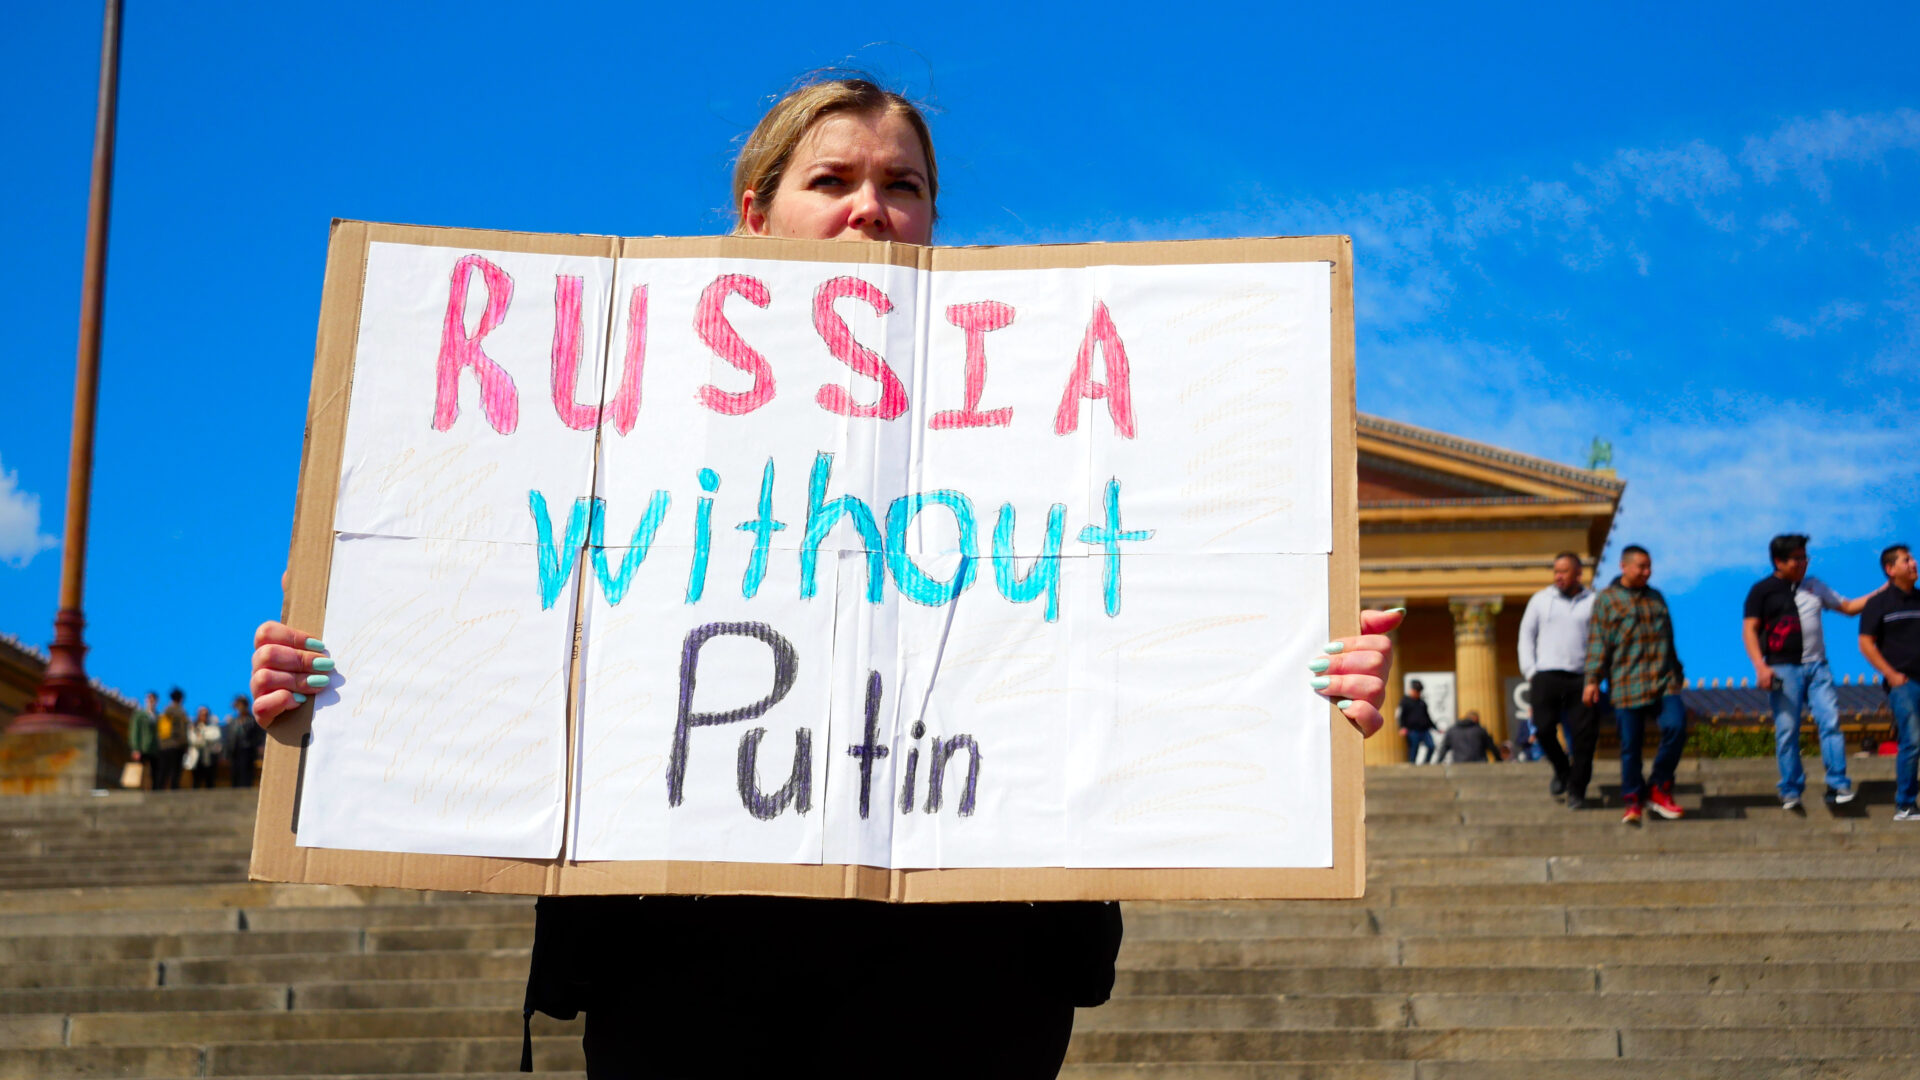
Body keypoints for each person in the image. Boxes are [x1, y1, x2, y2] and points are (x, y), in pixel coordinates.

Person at [247, 76, 1402, 1080]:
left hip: (966, 974)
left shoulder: (1049, 413)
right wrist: (338, 681)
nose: (870, 207)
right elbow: (485, 596)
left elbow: (1164, 598)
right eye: (833, 178)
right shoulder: (611, 415)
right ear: (756, 214)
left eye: (902, 185)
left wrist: (1303, 680)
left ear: (934, 216)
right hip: (680, 962)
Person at [1741, 533, 1881, 809]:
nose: (1803, 563)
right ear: (1778, 562)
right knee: (1787, 729)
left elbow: (1848, 607)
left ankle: (1838, 784)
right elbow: (1749, 629)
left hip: (1818, 667)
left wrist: (1883, 592)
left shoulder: (1814, 586)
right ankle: (1790, 788)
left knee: (1829, 722)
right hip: (1782, 668)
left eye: (1805, 557)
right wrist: (1760, 666)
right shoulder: (1762, 591)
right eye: (1797, 558)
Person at [1584, 545, 1686, 825]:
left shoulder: (1656, 598)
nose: (1647, 572)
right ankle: (1632, 800)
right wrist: (1592, 680)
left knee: (1676, 726)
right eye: (1641, 566)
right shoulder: (1607, 600)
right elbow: (1598, 642)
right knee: (1631, 746)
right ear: (1624, 566)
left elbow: (1669, 638)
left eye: (1649, 566)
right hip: (1627, 684)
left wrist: (1677, 672)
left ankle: (1659, 786)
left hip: (1664, 681)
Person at [1519, 551, 1597, 809]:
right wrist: (1531, 671)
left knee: (1584, 737)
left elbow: (1600, 640)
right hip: (1546, 675)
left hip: (1581, 678)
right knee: (1542, 728)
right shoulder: (1540, 600)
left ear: (1578, 573)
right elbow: (1526, 636)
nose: (1559, 576)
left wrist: (1595, 676)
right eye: (1556, 571)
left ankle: (1577, 789)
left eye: (1564, 571)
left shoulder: (1593, 601)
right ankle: (1563, 770)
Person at [1860, 544, 1920, 821]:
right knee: (1912, 739)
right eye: (1907, 560)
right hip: (1904, 683)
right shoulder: (1878, 604)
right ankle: (1905, 804)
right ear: (1890, 569)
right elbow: (1866, 643)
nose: (1914, 563)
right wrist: (1891, 675)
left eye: (1913, 559)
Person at [151, 688, 191, 791]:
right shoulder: (180, 712)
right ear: (181, 698)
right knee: (175, 771)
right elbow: (182, 730)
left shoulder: (165, 711)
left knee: (163, 770)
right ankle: (173, 791)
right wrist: (185, 744)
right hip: (176, 745)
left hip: (163, 745)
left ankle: (159, 790)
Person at [225, 694, 264, 789]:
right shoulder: (234, 721)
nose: (239, 707)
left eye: (241, 705)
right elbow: (230, 737)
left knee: (246, 773)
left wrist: (255, 746)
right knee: (235, 773)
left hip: (247, 751)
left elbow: (258, 735)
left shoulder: (252, 720)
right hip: (235, 751)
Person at [1435, 709, 1503, 763]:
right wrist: (1499, 760)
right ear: (1475, 718)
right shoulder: (1480, 730)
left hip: (1459, 764)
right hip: (1479, 765)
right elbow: (1491, 746)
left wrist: (1438, 762)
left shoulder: (1452, 731)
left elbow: (1444, 748)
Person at [1398, 678, 1436, 764]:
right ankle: (1412, 765)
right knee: (1414, 749)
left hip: (1424, 730)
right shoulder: (1405, 701)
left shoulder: (1422, 703)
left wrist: (1435, 727)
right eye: (1416, 690)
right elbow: (1400, 715)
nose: (1418, 693)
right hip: (1412, 730)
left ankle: (1426, 763)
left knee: (1431, 746)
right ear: (1411, 690)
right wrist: (1402, 727)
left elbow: (1427, 717)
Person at [127, 691, 160, 788]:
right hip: (143, 748)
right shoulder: (140, 715)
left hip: (154, 749)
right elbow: (135, 731)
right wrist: (135, 748)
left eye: (153, 699)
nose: (151, 701)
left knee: (155, 772)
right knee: (140, 771)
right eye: (149, 698)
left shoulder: (158, 716)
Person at [187, 706, 223, 789]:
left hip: (209, 758)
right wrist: (203, 737)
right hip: (197, 759)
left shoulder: (213, 726)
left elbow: (215, 736)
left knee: (210, 781)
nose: (204, 716)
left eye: (206, 714)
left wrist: (202, 734)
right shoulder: (193, 727)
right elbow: (193, 740)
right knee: (196, 781)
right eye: (202, 714)